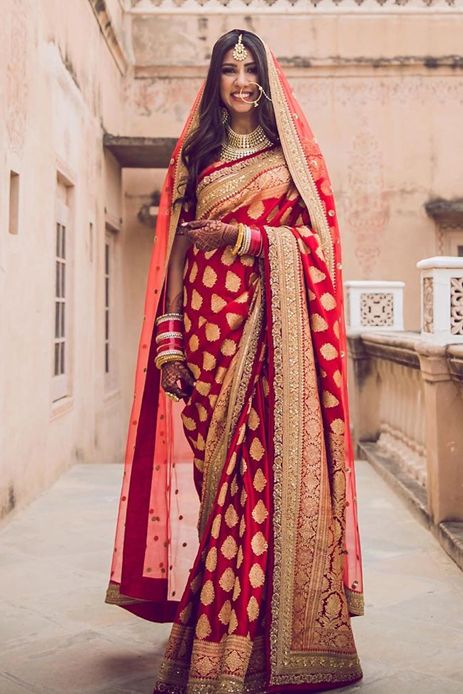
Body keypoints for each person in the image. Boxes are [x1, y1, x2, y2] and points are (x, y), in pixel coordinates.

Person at [106, 29, 364, 693]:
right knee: (222, 491)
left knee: (264, 493)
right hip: (210, 347)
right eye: (229, 69)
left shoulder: (292, 161)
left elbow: (319, 249)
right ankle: (233, 635)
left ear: (267, 81)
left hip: (275, 348)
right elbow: (177, 257)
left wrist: (245, 236)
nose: (241, 81)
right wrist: (170, 346)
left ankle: (240, 642)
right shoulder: (199, 156)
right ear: (215, 80)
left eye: (250, 69)